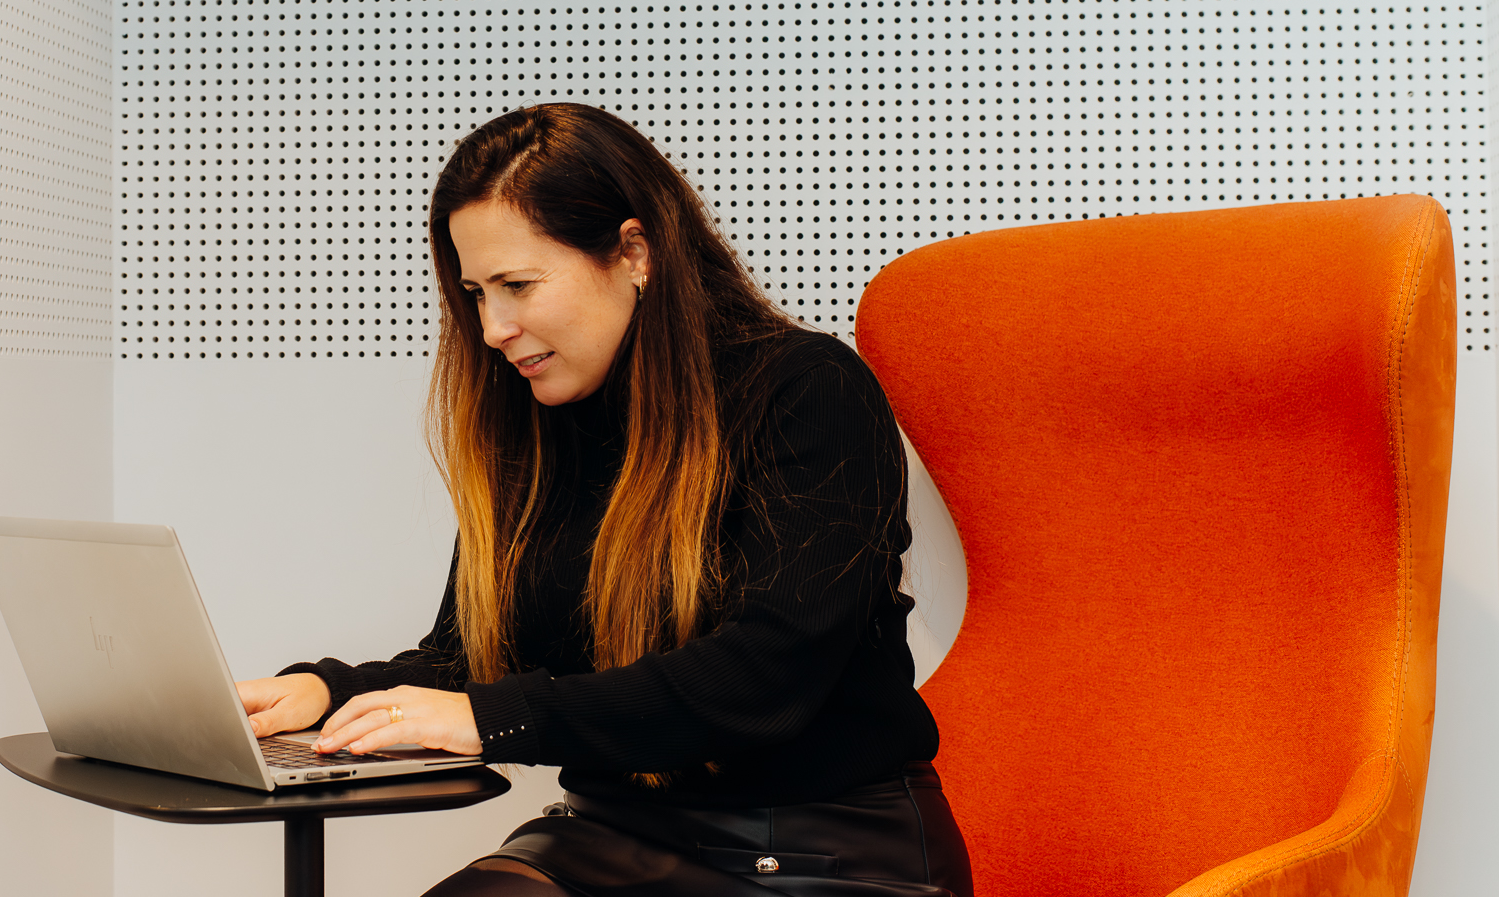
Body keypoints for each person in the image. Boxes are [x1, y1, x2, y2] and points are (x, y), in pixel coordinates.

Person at [236, 104, 972, 896]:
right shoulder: (541, 425)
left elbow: (764, 677)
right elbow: (476, 658)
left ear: (634, 253)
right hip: (607, 837)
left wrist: (496, 716)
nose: (492, 328)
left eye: (517, 285)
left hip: (813, 854)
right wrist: (328, 692)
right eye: (476, 292)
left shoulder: (810, 391)